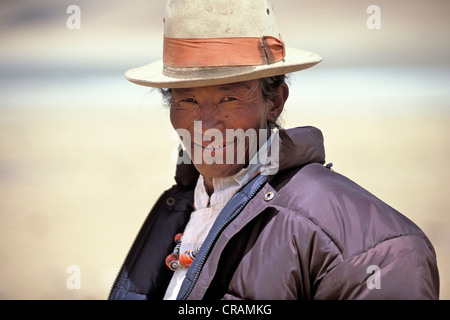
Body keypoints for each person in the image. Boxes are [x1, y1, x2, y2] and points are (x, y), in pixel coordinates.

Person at [109, 0, 439, 300]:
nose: (206, 124)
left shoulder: (371, 248)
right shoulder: (177, 208)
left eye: (229, 98)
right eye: (188, 99)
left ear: (275, 102)